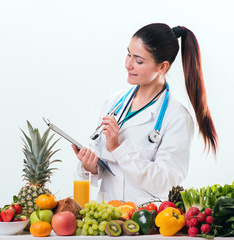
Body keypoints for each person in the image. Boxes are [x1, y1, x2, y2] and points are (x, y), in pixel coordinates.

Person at [72, 23, 218, 204]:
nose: (128, 65)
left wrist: (118, 147)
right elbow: (105, 164)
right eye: (128, 54)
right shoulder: (113, 103)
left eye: (138, 61)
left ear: (162, 67)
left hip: (146, 222)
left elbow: (165, 181)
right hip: (107, 219)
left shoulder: (177, 117)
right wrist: (91, 166)